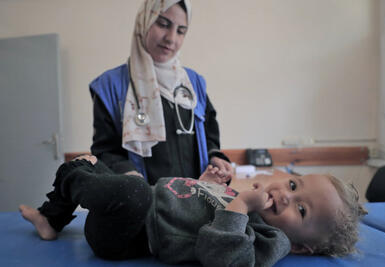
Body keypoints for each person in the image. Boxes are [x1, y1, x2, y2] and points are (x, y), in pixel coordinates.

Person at [19, 155, 366, 267]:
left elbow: (219, 253)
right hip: (142, 202)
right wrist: (202, 183)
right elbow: (193, 205)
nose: (287, 197)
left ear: (303, 246)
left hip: (128, 234)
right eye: (294, 186)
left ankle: (76, 178)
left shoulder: (271, 239)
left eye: (302, 210)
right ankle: (52, 217)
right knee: (116, 162)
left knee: (123, 184)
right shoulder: (253, 196)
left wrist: (242, 204)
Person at [89, 0, 233, 185]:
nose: (171, 38)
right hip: (145, 204)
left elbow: (209, 134)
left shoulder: (193, 83)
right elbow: (105, 151)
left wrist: (215, 157)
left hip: (196, 201)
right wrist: (127, 173)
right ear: (145, 21)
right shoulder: (110, 85)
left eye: (181, 31)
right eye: (163, 24)